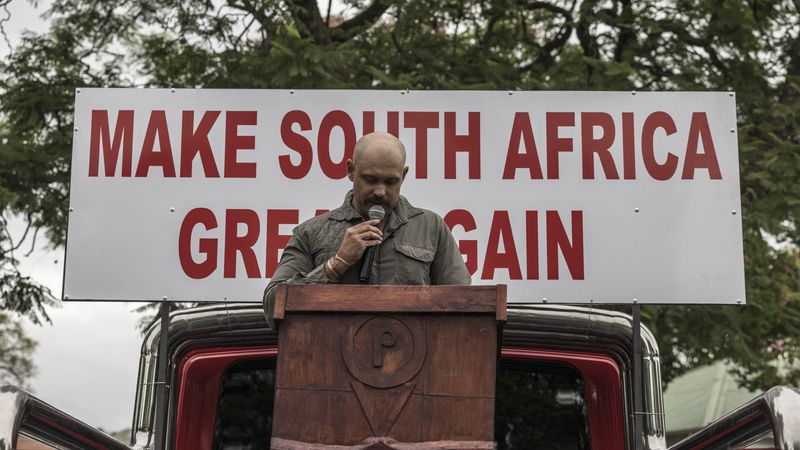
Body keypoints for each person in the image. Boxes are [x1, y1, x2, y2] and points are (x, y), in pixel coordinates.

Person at [263, 132, 471, 329]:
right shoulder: (311, 233)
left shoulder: (431, 228)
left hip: (413, 352)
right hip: (334, 353)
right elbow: (273, 306)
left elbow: (464, 306)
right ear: (351, 170)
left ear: (403, 175)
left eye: (391, 182)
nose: (380, 191)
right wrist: (336, 265)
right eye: (370, 179)